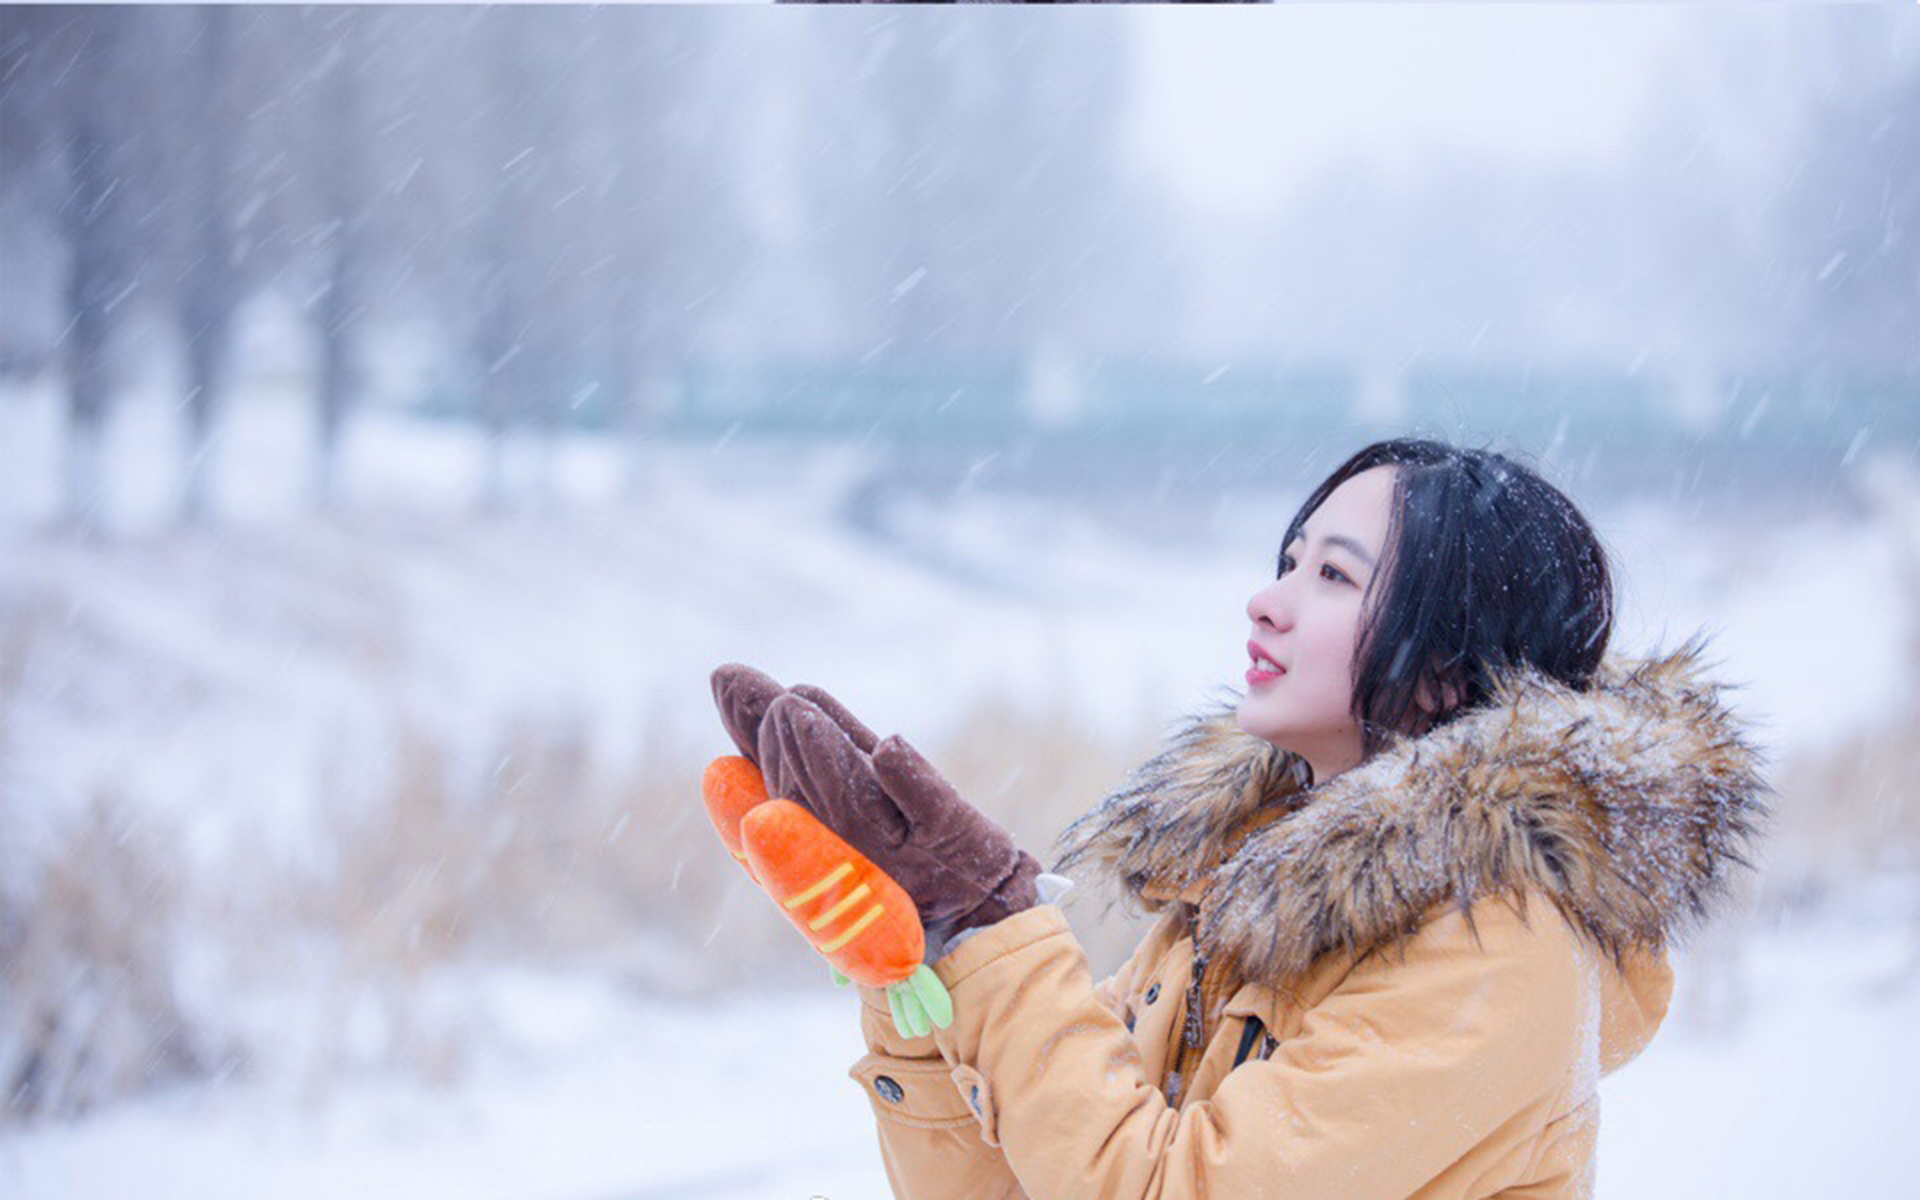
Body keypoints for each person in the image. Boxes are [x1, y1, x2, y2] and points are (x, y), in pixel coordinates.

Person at [710, 436, 1771, 1200]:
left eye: (1334, 576)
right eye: (1288, 562)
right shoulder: (1235, 894)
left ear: (1449, 672)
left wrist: (992, 921)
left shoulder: (1497, 949)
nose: (1268, 600)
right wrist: (921, 971)